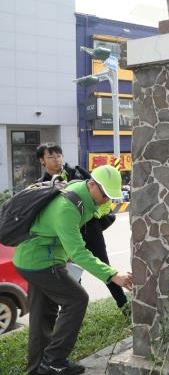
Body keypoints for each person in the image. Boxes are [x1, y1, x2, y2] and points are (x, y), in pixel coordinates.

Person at [13, 165, 133, 375]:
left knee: (43, 316)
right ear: (92, 184)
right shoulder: (68, 207)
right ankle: (54, 360)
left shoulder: (83, 191)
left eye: (110, 197)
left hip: (36, 258)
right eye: (104, 194)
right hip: (40, 261)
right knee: (77, 299)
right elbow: (78, 252)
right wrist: (113, 275)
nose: (106, 200)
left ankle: (38, 369)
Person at [36, 143, 127, 310]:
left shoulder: (75, 172)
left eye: (59, 156)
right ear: (42, 160)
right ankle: (73, 312)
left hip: (90, 229)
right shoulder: (41, 185)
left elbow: (105, 200)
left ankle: (124, 306)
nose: (56, 160)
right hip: (65, 235)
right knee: (71, 275)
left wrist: (93, 215)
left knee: (104, 266)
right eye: (51, 157)